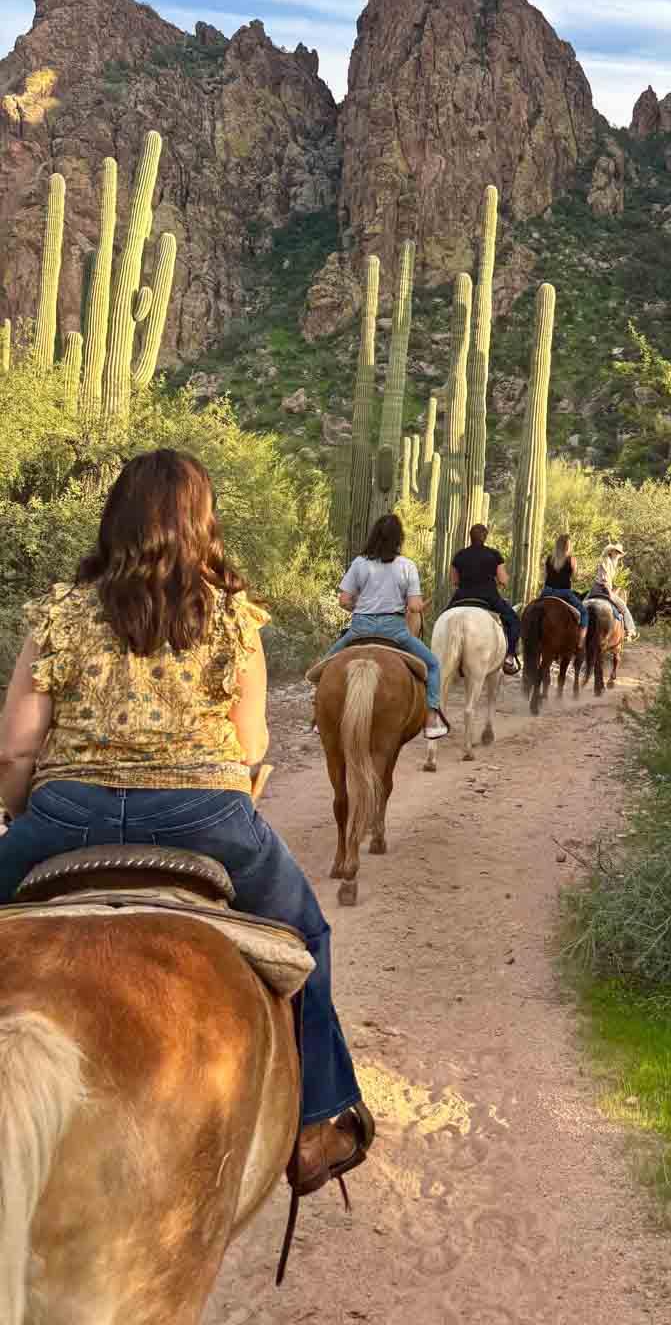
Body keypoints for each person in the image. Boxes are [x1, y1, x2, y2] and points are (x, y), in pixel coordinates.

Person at [0, 449, 372, 1197]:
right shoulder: (233, 615)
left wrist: (20, 814)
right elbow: (254, 743)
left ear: (117, 519)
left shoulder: (61, 612)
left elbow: (14, 744)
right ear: (203, 523)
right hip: (206, 814)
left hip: (68, 813)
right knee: (306, 932)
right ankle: (319, 1117)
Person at [321, 514, 447, 742]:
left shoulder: (359, 563)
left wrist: (359, 607)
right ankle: (430, 718)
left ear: (374, 536)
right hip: (394, 630)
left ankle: (318, 716)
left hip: (360, 629)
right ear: (399, 539)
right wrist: (417, 603)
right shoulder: (407, 566)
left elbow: (343, 600)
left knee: (323, 667)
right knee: (433, 665)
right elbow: (414, 605)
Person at [447, 524, 521, 674]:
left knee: (442, 620)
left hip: (462, 596)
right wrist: (502, 581)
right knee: (513, 621)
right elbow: (503, 580)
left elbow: (454, 581)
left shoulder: (459, 555)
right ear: (485, 537)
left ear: (470, 537)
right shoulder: (494, 554)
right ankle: (510, 656)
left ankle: (441, 655)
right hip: (488, 597)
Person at [588, 542, 637, 640]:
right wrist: (609, 592)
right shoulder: (607, 561)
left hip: (595, 589)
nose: (618, 555)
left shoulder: (610, 562)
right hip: (603, 589)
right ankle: (630, 631)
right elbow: (604, 579)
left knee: (582, 605)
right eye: (616, 552)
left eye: (619, 553)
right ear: (611, 552)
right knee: (623, 606)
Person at [541, 532, 590, 629]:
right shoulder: (571, 560)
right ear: (568, 546)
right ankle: (582, 639)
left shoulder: (549, 558)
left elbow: (545, 576)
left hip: (547, 592)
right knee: (584, 612)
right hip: (564, 593)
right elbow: (574, 577)